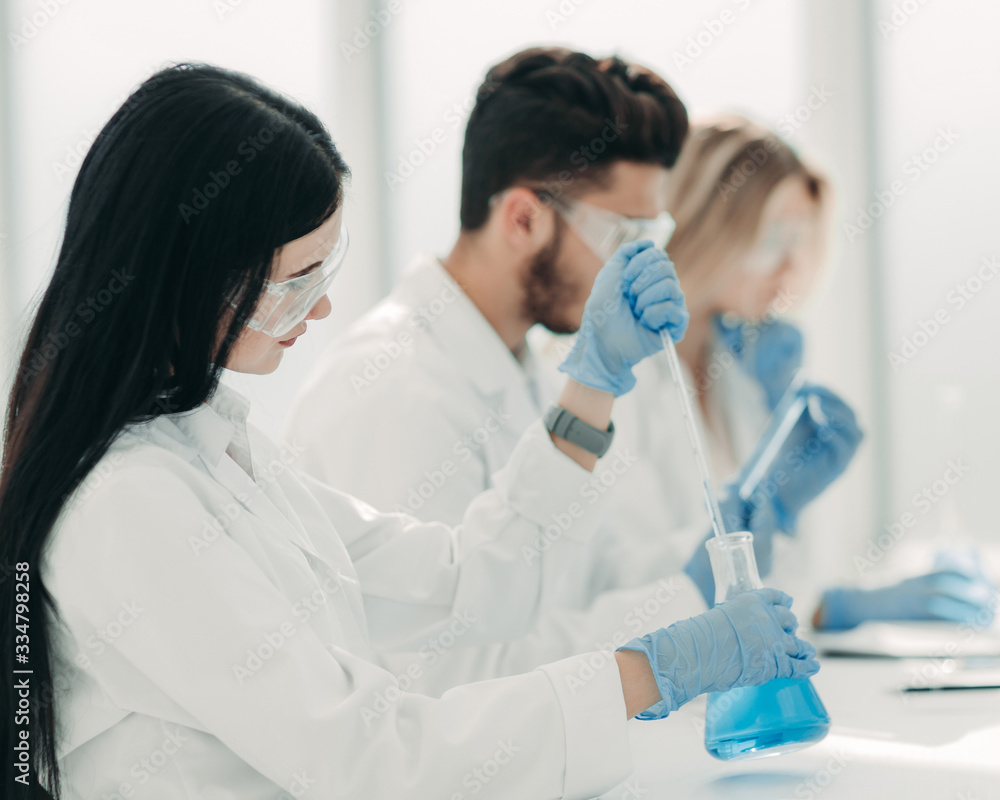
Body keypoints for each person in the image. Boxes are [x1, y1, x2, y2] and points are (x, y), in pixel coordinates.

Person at [0, 65, 820, 800]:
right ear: (191, 273)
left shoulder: (220, 451)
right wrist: (654, 669)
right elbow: (372, 759)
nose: (318, 308)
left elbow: (468, 585)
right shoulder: (129, 504)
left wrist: (591, 385)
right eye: (294, 281)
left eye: (327, 270)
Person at [285, 48, 834, 690]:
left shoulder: (530, 373)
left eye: (648, 234)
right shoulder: (394, 389)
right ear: (522, 218)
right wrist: (684, 618)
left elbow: (586, 579)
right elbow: (448, 683)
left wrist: (708, 560)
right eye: (620, 236)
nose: (638, 264)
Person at [602, 113, 996, 629]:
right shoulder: (624, 379)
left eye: (800, 243)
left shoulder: (738, 378)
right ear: (710, 226)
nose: (790, 269)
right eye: (773, 240)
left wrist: (775, 418)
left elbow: (789, 573)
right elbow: (630, 585)